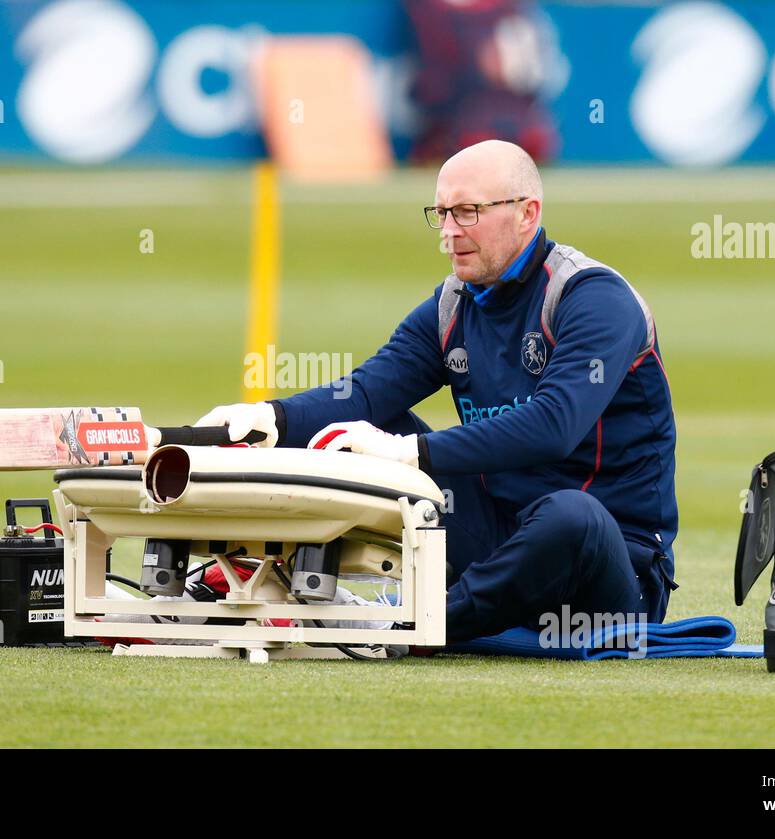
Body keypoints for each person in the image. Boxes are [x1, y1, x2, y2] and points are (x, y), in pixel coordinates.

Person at [196, 140, 678, 645]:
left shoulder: (594, 299)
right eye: (442, 213)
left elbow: (554, 425)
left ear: (527, 213)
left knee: (570, 516)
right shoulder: (452, 305)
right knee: (358, 430)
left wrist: (411, 453)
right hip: (497, 542)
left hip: (611, 574)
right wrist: (270, 417)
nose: (449, 233)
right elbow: (364, 394)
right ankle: (267, 579)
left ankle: (410, 625)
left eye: (468, 212)